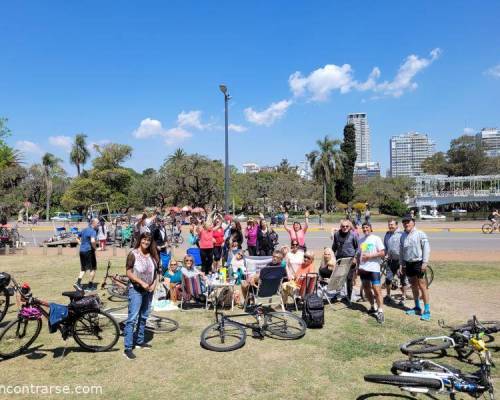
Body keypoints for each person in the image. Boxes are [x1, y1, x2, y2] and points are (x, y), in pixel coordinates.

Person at [123, 232, 159, 360]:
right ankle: (127, 348)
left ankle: (139, 341)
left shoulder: (153, 255)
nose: (146, 242)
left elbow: (156, 272)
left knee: (144, 316)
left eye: (148, 240)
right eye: (144, 239)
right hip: (136, 289)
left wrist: (154, 284)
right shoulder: (133, 254)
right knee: (132, 318)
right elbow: (128, 272)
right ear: (140, 240)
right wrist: (141, 282)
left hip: (149, 290)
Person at [400, 214, 431, 321]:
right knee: (413, 285)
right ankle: (417, 307)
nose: (406, 224)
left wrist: (425, 263)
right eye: (404, 222)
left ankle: (427, 310)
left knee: (423, 286)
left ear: (413, 222)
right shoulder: (403, 235)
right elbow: (401, 251)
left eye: (408, 221)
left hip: (419, 263)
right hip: (408, 264)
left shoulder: (420, 233)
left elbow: (426, 248)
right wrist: (402, 264)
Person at [358, 223, 385, 324]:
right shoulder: (361, 240)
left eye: (367, 227)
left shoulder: (376, 238)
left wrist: (370, 256)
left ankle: (380, 311)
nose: (365, 229)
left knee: (377, 290)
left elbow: (382, 253)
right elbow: (359, 254)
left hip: (374, 269)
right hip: (363, 269)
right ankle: (373, 306)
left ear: (371, 229)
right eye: (363, 228)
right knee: (366, 289)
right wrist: (358, 267)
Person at [332, 219, 359, 304]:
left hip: (351, 260)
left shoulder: (353, 235)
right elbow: (334, 247)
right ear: (340, 227)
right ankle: (338, 294)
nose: (345, 228)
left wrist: (355, 258)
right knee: (339, 278)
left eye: (347, 226)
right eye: (343, 226)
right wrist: (332, 256)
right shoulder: (336, 235)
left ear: (349, 227)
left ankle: (349, 296)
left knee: (349, 279)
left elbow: (358, 248)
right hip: (340, 259)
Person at [383, 219, 407, 306]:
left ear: (396, 225)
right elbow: (387, 247)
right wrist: (386, 255)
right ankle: (388, 295)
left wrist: (403, 262)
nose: (390, 226)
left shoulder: (402, 234)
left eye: (392, 225)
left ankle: (403, 297)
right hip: (390, 260)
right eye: (389, 225)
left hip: (400, 261)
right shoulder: (388, 234)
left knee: (403, 280)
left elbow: (404, 247)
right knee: (388, 279)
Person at [74, 218, 99, 291]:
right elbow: (93, 240)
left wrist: (80, 244)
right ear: (93, 223)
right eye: (97, 223)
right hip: (89, 251)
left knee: (83, 268)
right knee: (93, 268)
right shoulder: (93, 231)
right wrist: (95, 248)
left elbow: (77, 237)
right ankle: (90, 286)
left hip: (82, 251)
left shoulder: (84, 230)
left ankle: (78, 283)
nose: (98, 224)